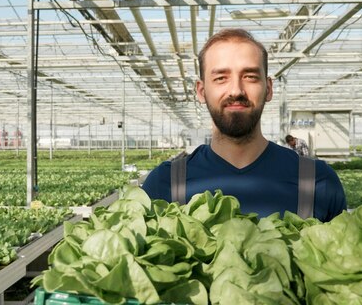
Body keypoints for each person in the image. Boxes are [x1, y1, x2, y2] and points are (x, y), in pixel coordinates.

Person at [142, 28, 346, 222]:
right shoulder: (164, 185)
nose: (236, 91)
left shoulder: (319, 182)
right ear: (201, 91)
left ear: (268, 89)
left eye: (249, 77)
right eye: (221, 78)